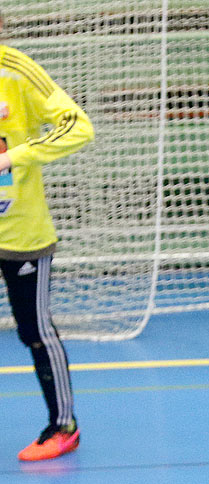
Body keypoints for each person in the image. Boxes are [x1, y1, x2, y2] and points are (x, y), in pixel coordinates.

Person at [0, 12, 94, 461]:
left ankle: (64, 426)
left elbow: (78, 126)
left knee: (35, 330)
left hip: (21, 233)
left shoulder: (15, 70)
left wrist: (15, 155)